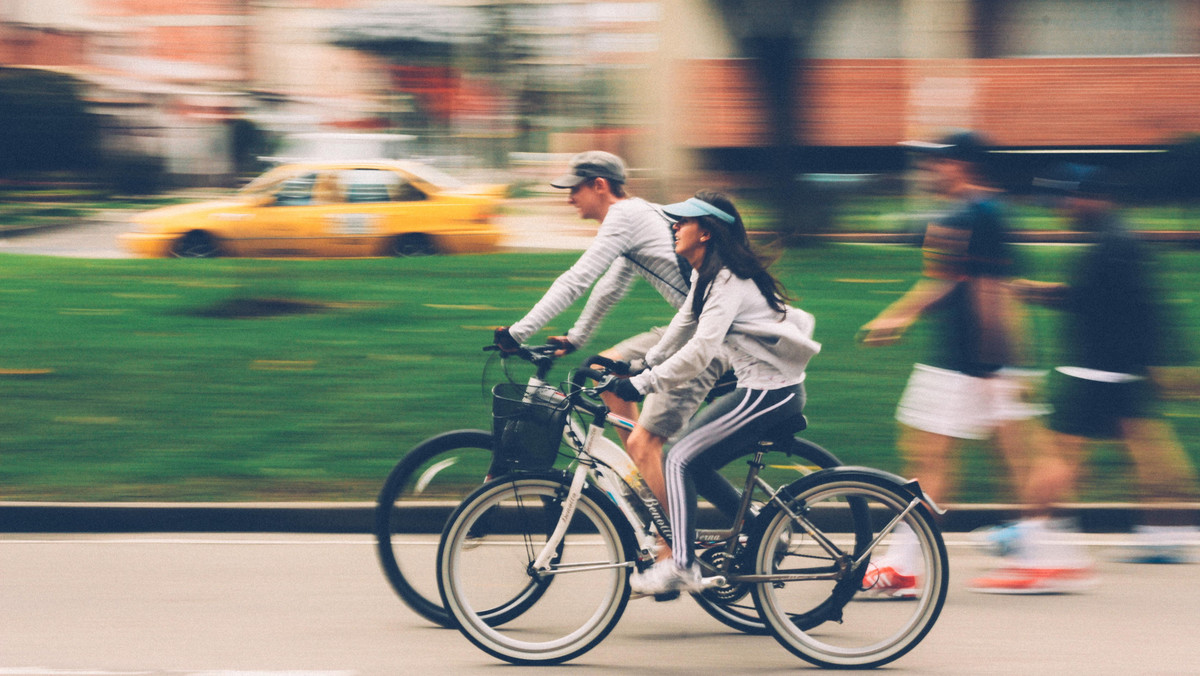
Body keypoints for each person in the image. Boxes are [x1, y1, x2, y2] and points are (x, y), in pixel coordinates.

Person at [858, 131, 1075, 596]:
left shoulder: (976, 214)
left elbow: (990, 289)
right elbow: (950, 283)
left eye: (939, 162)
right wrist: (899, 316)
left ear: (963, 165)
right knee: (962, 458)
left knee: (955, 458)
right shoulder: (982, 213)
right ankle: (1043, 557)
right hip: (977, 362)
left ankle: (1036, 559)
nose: (931, 170)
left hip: (973, 364)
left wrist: (996, 365)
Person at [493, 150, 729, 515]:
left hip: (711, 337)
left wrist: (518, 332)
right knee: (605, 369)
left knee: (644, 441)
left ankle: (672, 542)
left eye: (575, 189)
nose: (569, 197)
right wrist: (576, 337)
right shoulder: (637, 215)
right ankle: (644, 482)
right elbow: (610, 287)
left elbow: (577, 279)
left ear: (599, 186)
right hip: (693, 325)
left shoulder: (624, 216)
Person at [609, 191, 821, 595]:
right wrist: (641, 363)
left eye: (683, 222)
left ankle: (683, 565)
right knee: (696, 463)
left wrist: (641, 384)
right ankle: (760, 528)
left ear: (705, 232)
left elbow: (700, 351)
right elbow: (681, 327)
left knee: (678, 460)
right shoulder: (708, 276)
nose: (674, 226)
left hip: (769, 394)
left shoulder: (728, 280)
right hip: (760, 391)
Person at [991, 164, 1198, 575]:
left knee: (1058, 453)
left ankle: (1031, 534)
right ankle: (1164, 536)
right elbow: (1129, 304)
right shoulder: (1117, 236)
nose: (1061, 208)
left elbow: (1111, 305)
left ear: (1091, 197)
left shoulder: (1112, 244)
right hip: (1120, 368)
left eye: (1066, 199)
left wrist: (1028, 291)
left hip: (1094, 369)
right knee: (1152, 450)